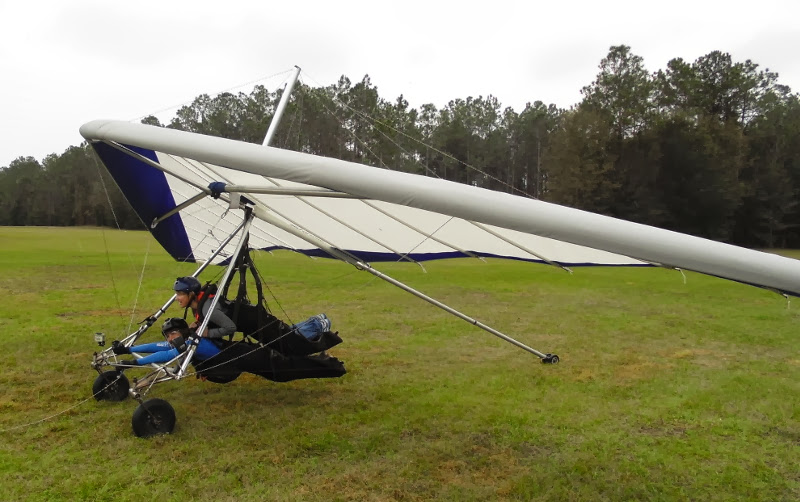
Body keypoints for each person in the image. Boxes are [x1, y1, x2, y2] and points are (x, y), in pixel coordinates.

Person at [113, 317, 221, 366]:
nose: (169, 339)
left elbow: (167, 355)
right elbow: (159, 346)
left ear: (183, 332)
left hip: (220, 362)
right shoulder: (188, 339)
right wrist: (127, 349)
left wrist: (134, 363)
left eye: (173, 334)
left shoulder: (191, 343)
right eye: (167, 336)